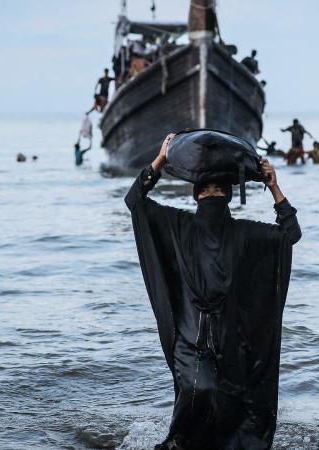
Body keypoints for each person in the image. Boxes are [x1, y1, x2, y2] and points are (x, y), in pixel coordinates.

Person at [125, 133, 301, 450]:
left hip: (229, 341)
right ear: (197, 195)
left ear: (227, 196)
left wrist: (160, 160)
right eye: (208, 189)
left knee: (229, 412)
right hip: (194, 339)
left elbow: (135, 200)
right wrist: (273, 187)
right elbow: (290, 233)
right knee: (196, 400)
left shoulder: (232, 231)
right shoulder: (184, 225)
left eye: (217, 189)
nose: (212, 194)